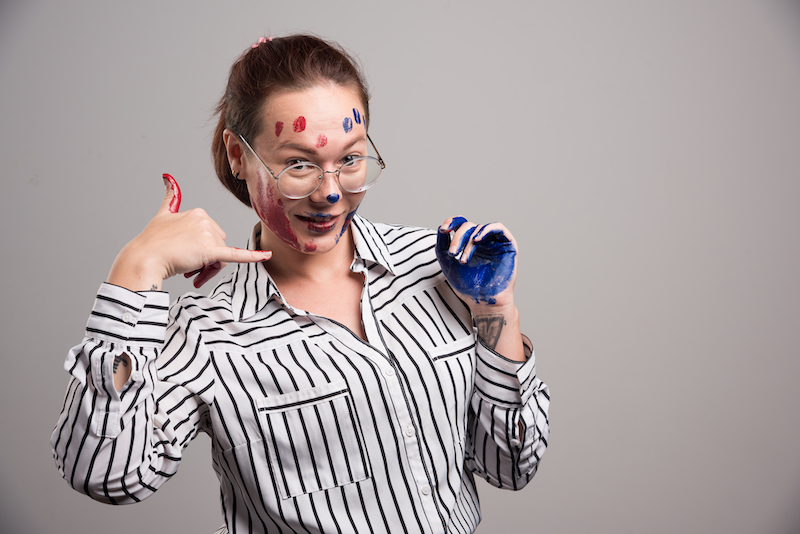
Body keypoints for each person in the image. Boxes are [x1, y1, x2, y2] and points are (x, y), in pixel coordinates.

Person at [50, 34, 550, 534]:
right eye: (298, 164)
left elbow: (511, 465)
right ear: (238, 156)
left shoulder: (438, 266)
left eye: (351, 160)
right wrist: (135, 271)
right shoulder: (206, 333)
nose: (330, 193)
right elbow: (106, 474)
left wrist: (494, 309)